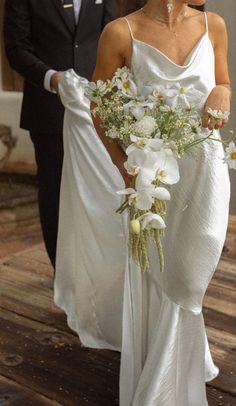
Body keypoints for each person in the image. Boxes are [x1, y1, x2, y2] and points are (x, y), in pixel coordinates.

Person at [55, 0, 231, 404]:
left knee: (190, 274)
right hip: (153, 175)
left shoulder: (214, 25)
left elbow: (223, 84)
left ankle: (180, 366)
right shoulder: (120, 33)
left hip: (206, 170)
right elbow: (99, 105)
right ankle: (165, 384)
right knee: (162, 274)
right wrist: (124, 166)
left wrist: (222, 90)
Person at [3, 0, 115, 269]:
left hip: (96, 109)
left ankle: (98, 269)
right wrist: (52, 79)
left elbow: (111, 34)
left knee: (100, 190)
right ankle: (63, 274)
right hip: (48, 111)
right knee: (54, 195)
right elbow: (16, 49)